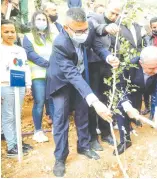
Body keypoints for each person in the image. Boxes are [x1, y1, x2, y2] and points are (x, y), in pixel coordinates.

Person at [46, 7, 119, 177]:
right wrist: (94, 100)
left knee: (83, 113)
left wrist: (108, 57)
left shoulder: (86, 29)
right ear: (66, 28)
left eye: (86, 29)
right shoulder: (60, 43)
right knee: (61, 118)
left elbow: (97, 46)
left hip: (80, 77)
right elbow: (70, 73)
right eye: (79, 30)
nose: (84, 33)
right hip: (61, 82)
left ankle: (84, 146)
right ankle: (60, 158)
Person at [87, 1, 122, 150]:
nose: (114, 16)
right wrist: (106, 28)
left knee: (107, 98)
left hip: (107, 64)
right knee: (93, 100)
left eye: (116, 14)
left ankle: (106, 132)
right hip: (93, 65)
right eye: (112, 12)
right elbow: (96, 28)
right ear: (106, 9)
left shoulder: (118, 22)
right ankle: (92, 137)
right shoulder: (94, 17)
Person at [1, 19, 33, 157]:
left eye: (12, 31)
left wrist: (28, 85)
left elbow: (25, 67)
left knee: (17, 114)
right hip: (5, 86)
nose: (10, 34)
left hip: (19, 85)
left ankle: (17, 142)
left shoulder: (20, 50)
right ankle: (11, 146)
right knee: (8, 115)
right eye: (6, 31)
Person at [22, 11, 56, 142]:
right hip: (37, 75)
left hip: (52, 74)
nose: (41, 22)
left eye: (44, 19)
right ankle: (38, 130)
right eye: (39, 19)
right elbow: (30, 54)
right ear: (33, 21)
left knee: (52, 100)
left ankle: (55, 128)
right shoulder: (28, 36)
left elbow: (57, 51)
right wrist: (47, 63)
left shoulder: (51, 37)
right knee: (39, 102)